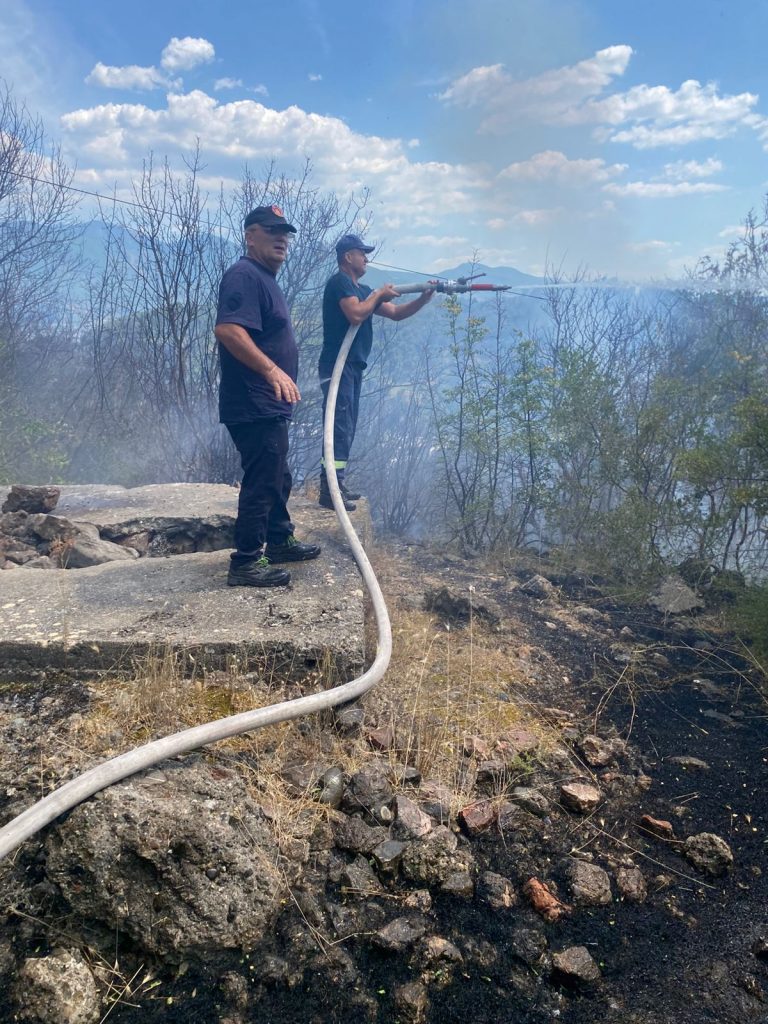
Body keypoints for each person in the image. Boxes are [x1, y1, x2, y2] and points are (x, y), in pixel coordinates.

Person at [215, 205, 321, 587]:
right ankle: (245, 562)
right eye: (272, 231)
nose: (282, 239)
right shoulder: (244, 275)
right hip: (253, 402)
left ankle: (279, 540)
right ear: (250, 235)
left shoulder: (263, 277)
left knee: (278, 475)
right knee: (263, 480)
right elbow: (228, 330)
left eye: (286, 233)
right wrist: (271, 369)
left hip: (268, 403)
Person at [318, 234, 434, 510]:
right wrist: (379, 294)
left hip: (354, 366)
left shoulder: (363, 289)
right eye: (362, 253)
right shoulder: (340, 283)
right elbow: (356, 314)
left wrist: (423, 299)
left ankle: (337, 484)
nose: (367, 258)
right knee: (339, 424)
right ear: (348, 257)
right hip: (338, 365)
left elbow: (395, 313)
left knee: (347, 426)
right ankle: (329, 489)